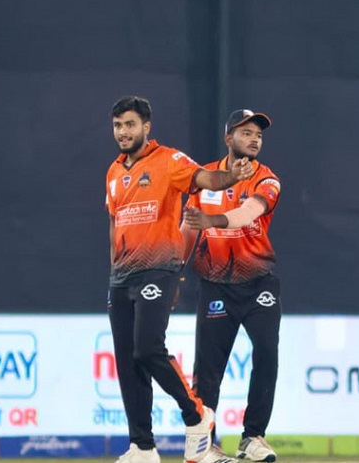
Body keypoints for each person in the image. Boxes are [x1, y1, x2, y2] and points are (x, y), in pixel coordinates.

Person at [105, 96, 252, 463]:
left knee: (147, 349)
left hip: (158, 269)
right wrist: (113, 274)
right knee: (127, 362)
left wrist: (232, 176)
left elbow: (207, 178)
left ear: (146, 127)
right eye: (118, 125)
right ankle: (142, 446)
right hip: (121, 277)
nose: (123, 132)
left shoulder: (168, 160)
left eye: (130, 124)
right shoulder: (113, 173)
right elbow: (114, 224)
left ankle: (196, 414)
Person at [180, 109, 281, 463]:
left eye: (259, 135)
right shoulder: (206, 178)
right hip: (215, 284)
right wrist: (174, 273)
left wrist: (212, 220)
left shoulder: (267, 179)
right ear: (228, 138)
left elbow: (248, 213)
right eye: (246, 132)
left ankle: (253, 437)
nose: (254, 139)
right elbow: (188, 229)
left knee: (267, 352)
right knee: (208, 368)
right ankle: (205, 443)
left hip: (258, 282)